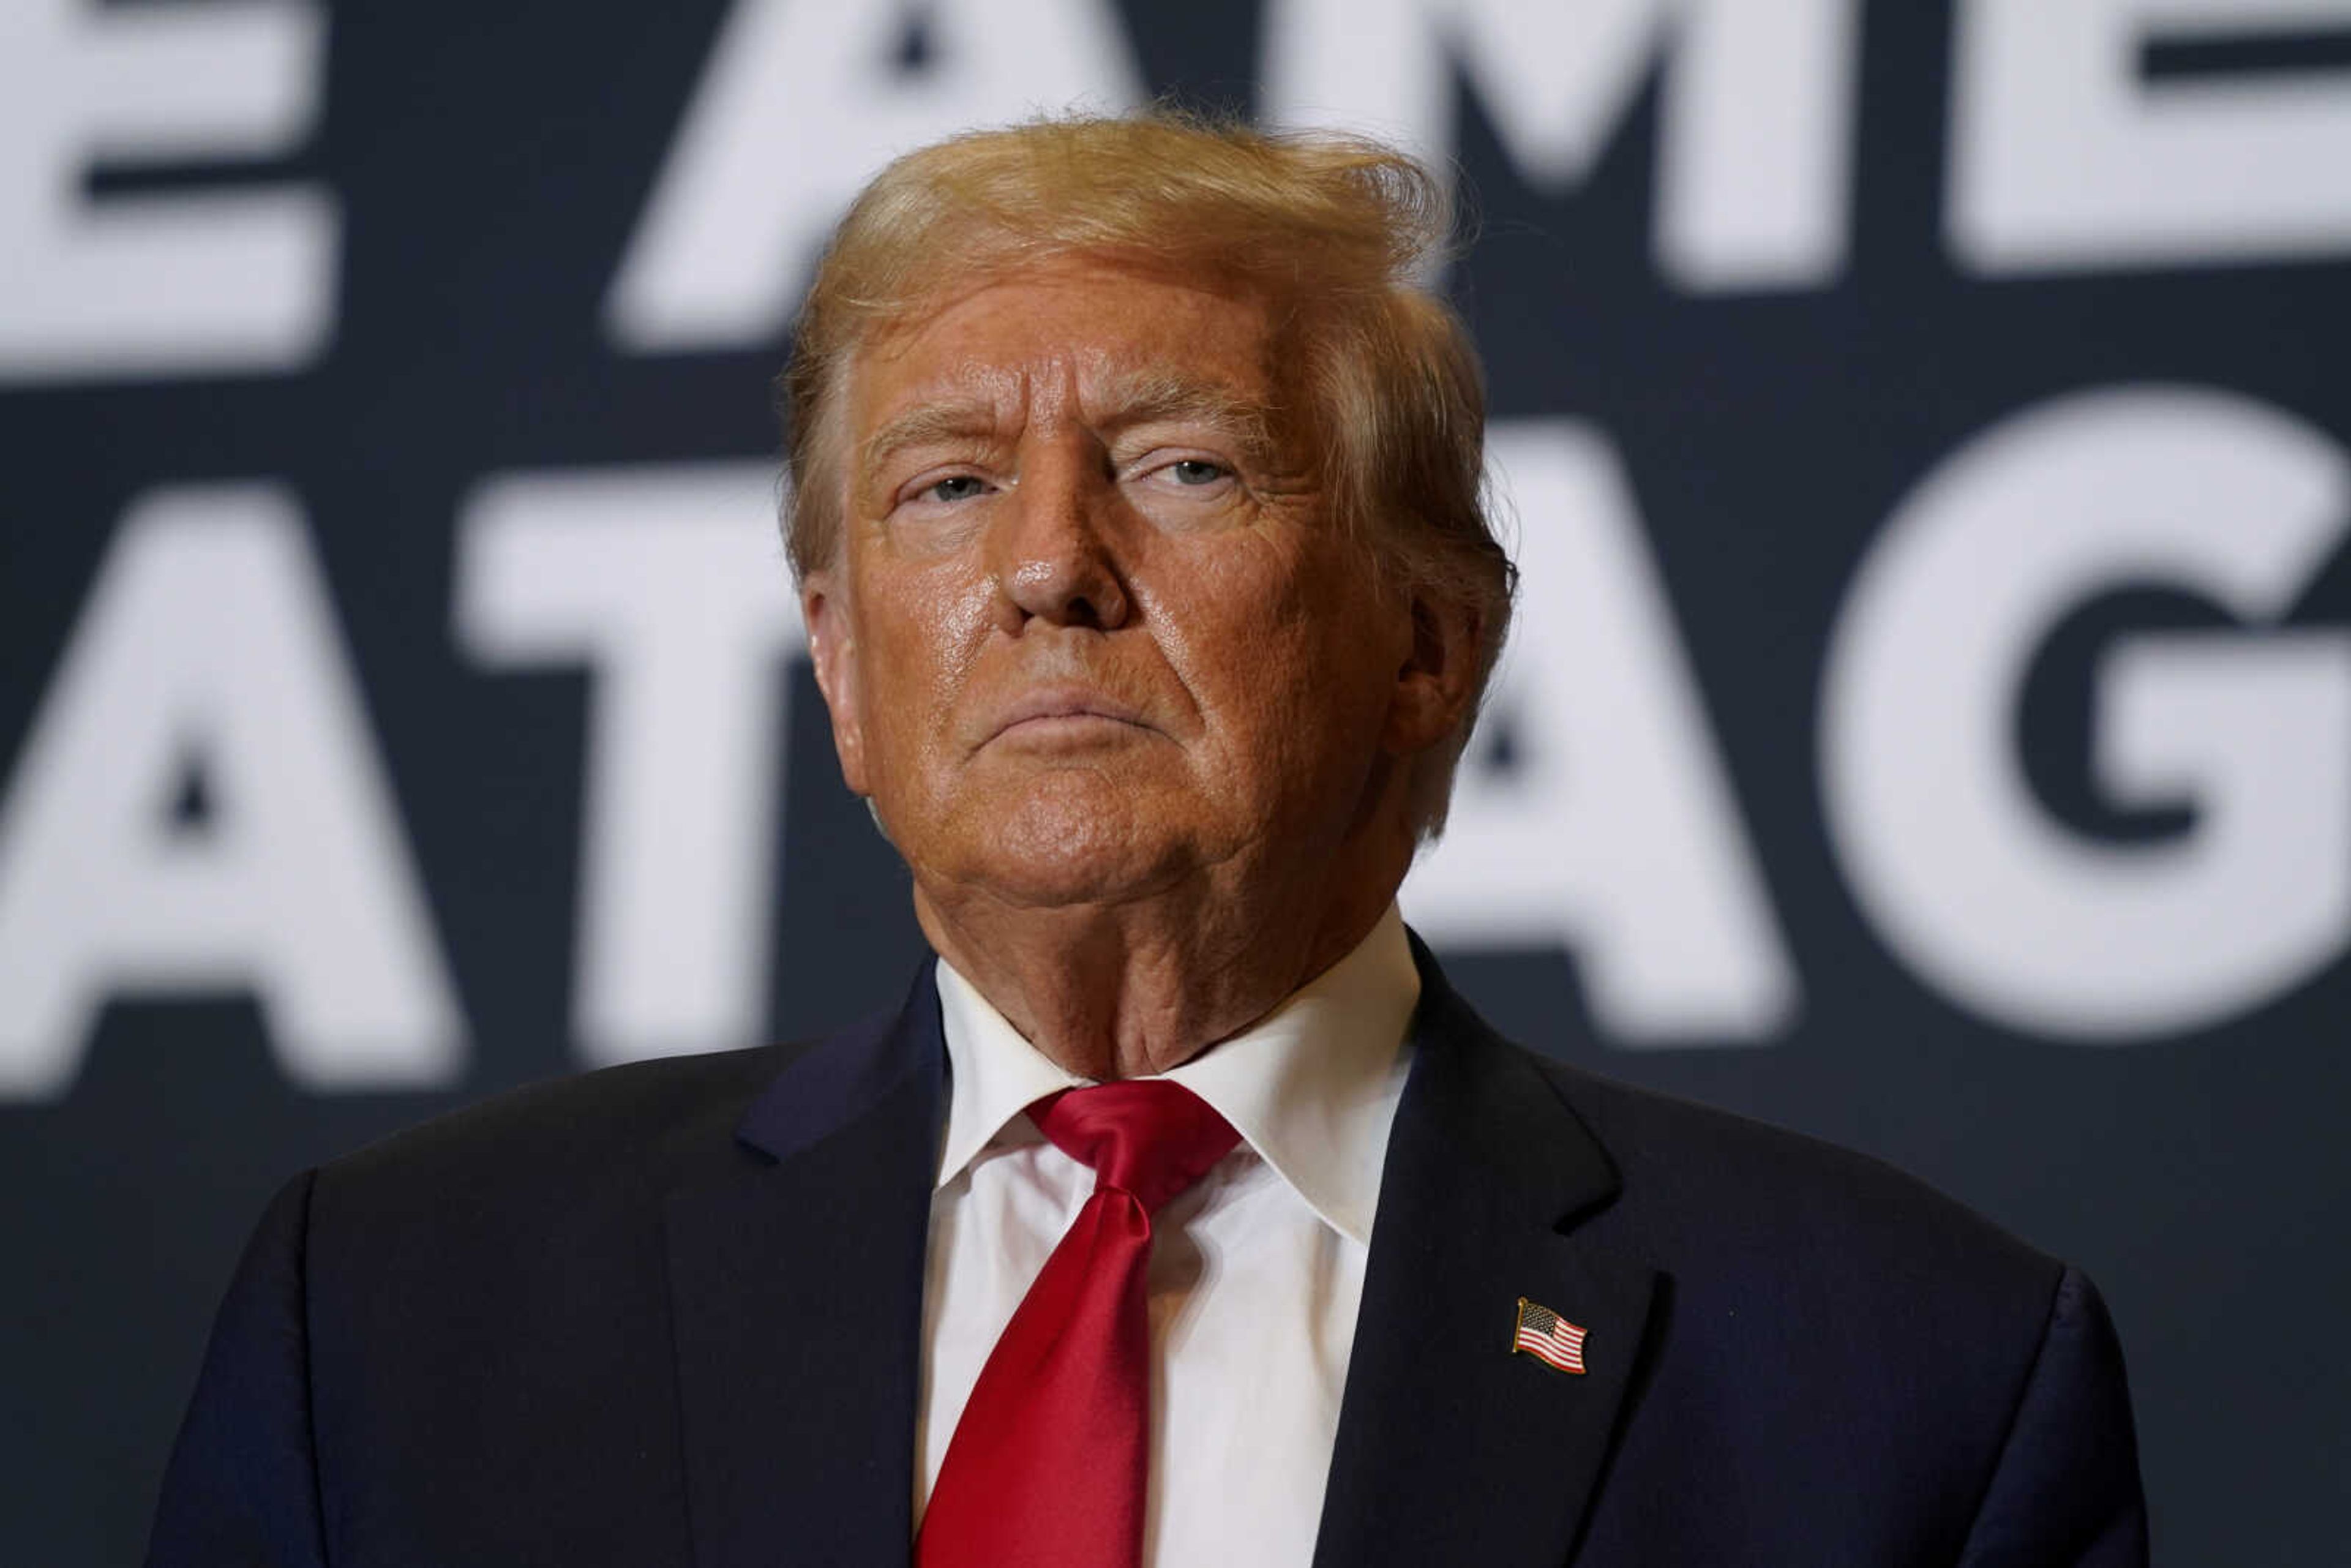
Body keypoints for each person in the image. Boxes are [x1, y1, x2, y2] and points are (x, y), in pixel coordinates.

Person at [147, 114, 2147, 1568]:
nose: (1044, 567)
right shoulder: (405, 1320)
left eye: (1181, 466)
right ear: (841, 669)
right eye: (943, 485)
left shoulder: (1911, 1387)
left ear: (1430, 643)